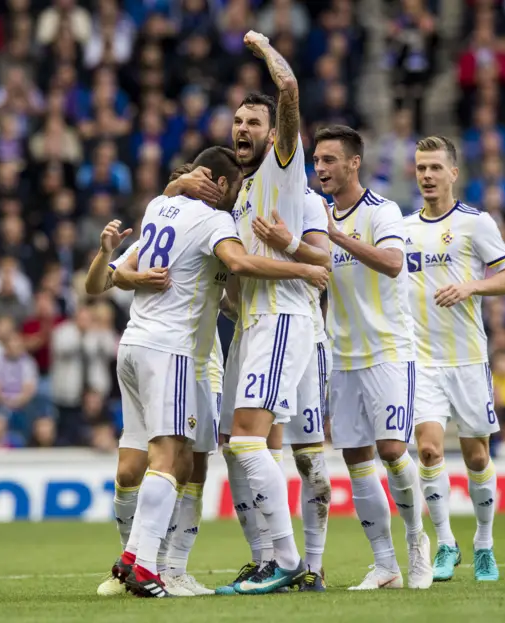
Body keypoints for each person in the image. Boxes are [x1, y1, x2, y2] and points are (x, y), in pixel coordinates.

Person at [106, 146, 327, 598]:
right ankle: (145, 564)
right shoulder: (215, 221)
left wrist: (173, 185)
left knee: (182, 456)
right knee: (170, 459)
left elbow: (115, 275)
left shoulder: (158, 204)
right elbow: (241, 263)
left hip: (132, 343)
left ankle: (135, 558)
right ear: (221, 185)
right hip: (171, 350)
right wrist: (304, 267)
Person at [90, 166, 230, 597]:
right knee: (157, 462)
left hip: (177, 355)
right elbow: (101, 281)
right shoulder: (194, 222)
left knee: (189, 462)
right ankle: (141, 561)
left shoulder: (177, 216)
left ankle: (158, 564)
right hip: (172, 352)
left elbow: (230, 296)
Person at [214, 30, 321, 595]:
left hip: (281, 319)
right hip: (249, 325)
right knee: (236, 444)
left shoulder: (283, 170)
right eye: (237, 123)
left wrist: (261, 45)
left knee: (252, 441)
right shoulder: (243, 192)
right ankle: (264, 558)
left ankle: (288, 560)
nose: (243, 130)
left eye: (253, 123)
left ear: (275, 133)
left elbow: (289, 86)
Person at [310, 125, 432, 591]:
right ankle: (385, 565)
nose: (320, 168)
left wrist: (336, 237)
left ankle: (417, 545)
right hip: (342, 353)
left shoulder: (383, 212)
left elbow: (393, 262)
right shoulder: (316, 216)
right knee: (356, 457)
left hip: (387, 348)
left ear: (353, 162)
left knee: (392, 450)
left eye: (329, 160)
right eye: (317, 160)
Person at [403, 136, 505, 583]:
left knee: (475, 456)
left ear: (454, 173)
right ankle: (447, 542)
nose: (427, 176)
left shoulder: (476, 223)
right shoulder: (404, 227)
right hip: (422, 360)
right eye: (420, 168)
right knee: (429, 450)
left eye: (435, 167)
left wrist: (471, 286)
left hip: (468, 359)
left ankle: (484, 543)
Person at [218, 187, 333, 593]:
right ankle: (267, 559)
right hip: (256, 329)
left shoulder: (304, 199)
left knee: (307, 459)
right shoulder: (243, 203)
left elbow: (324, 260)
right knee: (249, 446)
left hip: (303, 335)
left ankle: (311, 567)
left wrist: (290, 244)